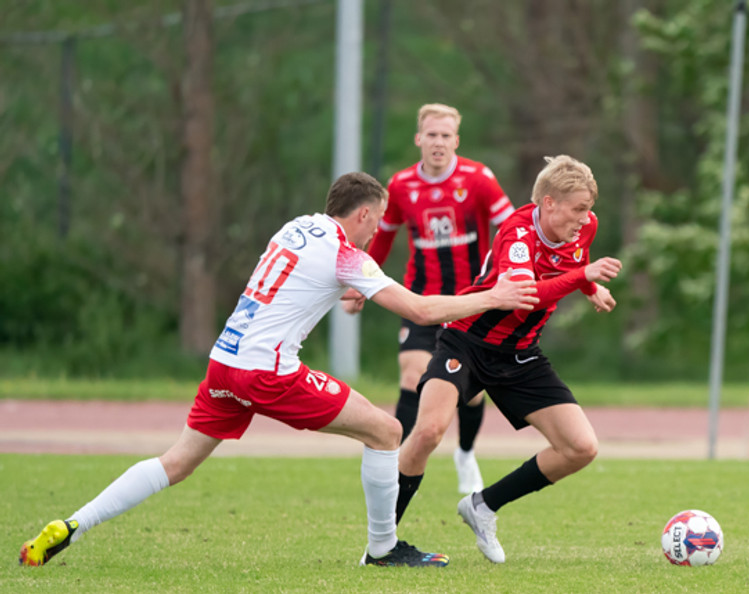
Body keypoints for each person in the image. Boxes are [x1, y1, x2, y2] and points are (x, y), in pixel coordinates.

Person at [18, 172, 539, 568]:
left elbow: (300, 284)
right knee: (386, 431)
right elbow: (421, 311)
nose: (377, 231)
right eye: (377, 221)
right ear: (362, 214)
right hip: (266, 372)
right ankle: (383, 548)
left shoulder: (297, 227)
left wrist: (355, 288)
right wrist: (493, 296)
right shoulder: (347, 255)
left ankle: (73, 524)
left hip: (225, 363)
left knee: (176, 462)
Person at [393, 155, 621, 563]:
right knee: (427, 432)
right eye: (578, 208)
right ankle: (381, 541)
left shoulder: (586, 226)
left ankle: (482, 506)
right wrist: (582, 279)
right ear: (548, 203)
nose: (585, 219)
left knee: (581, 447)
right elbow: (523, 296)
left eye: (588, 209)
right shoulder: (517, 233)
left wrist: (591, 289)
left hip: (520, 354)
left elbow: (575, 261)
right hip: (467, 341)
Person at [345, 103, 515, 495]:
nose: (438, 142)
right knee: (412, 375)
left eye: (445, 135)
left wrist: (508, 275)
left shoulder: (478, 179)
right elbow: (382, 238)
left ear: (456, 140)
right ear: (419, 139)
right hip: (421, 299)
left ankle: (465, 454)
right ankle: (395, 462)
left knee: (472, 394)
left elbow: (510, 228)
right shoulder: (401, 185)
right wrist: (361, 283)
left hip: (471, 300)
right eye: (432, 135)